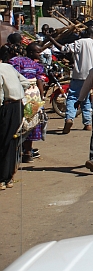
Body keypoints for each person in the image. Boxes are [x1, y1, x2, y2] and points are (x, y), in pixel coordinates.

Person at [48, 27, 93, 133]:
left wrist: (52, 40)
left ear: (86, 33)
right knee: (86, 98)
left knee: (72, 97)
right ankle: (88, 123)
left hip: (79, 75)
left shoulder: (79, 42)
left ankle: (69, 118)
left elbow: (64, 49)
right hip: (92, 76)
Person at [9, 42, 47, 163]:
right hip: (33, 97)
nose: (40, 54)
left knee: (20, 122)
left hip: (20, 95)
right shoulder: (35, 65)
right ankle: (28, 152)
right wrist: (42, 96)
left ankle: (18, 150)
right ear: (31, 52)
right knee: (31, 123)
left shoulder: (15, 62)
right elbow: (39, 81)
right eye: (37, 52)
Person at [0, 50, 31, 190]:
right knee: (12, 141)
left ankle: (3, 178)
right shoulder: (9, 67)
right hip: (18, 106)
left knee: (3, 142)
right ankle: (9, 178)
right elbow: (25, 82)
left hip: (6, 107)